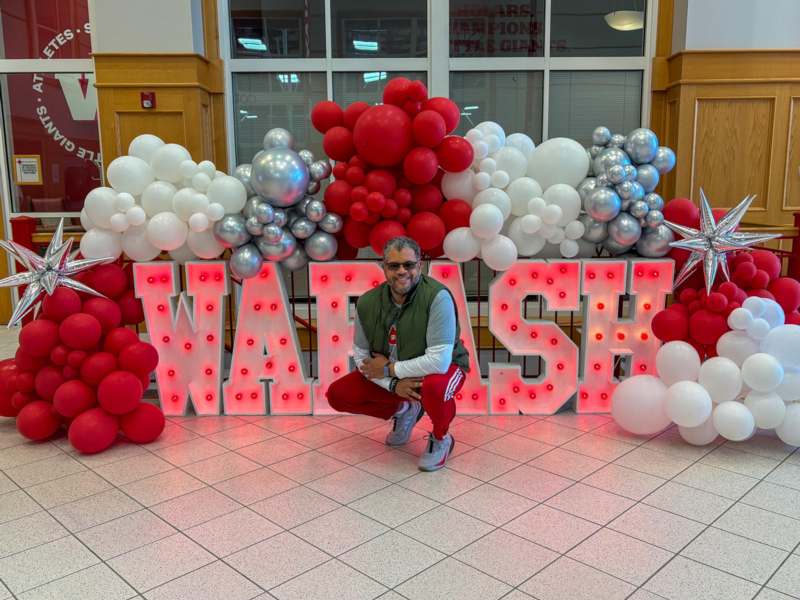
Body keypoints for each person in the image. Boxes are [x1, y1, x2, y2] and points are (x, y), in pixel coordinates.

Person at [326, 236, 469, 471]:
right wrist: (393, 385)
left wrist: (389, 370)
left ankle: (442, 438)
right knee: (338, 395)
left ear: (419, 266)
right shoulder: (367, 302)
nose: (402, 271)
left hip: (445, 369)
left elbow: (440, 362)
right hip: (395, 374)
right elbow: (361, 356)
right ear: (384, 267)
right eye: (394, 265)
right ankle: (406, 410)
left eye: (408, 265)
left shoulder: (437, 297)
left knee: (434, 388)